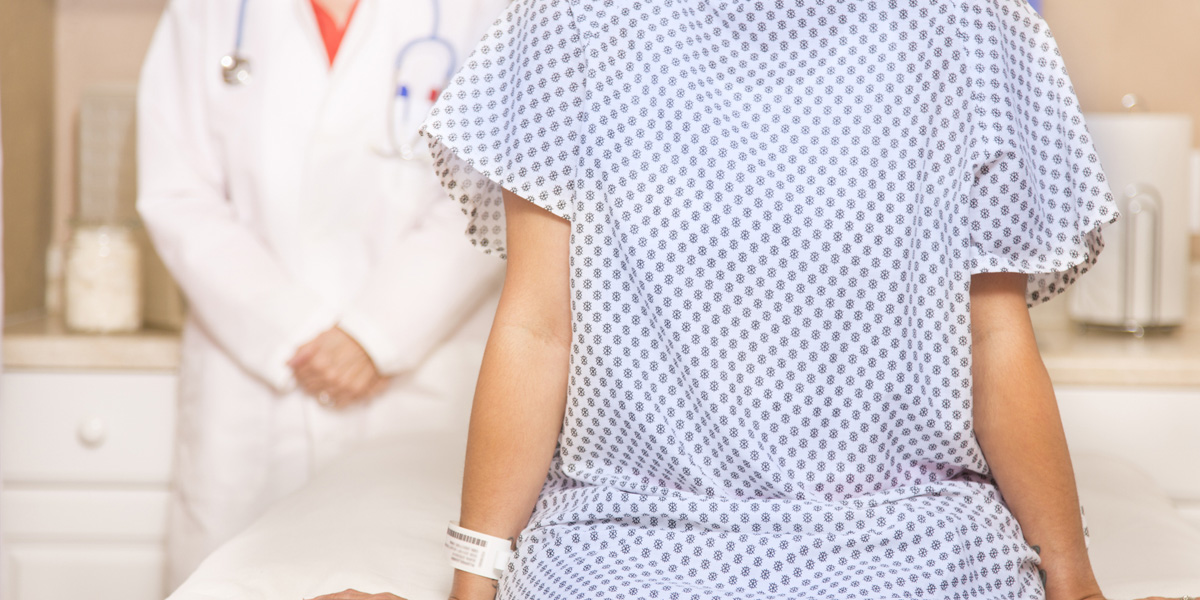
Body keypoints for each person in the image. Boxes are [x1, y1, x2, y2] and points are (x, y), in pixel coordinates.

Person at [315, 0, 1187, 599]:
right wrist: (476, 579)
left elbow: (995, 340)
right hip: (626, 545)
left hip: (910, 546)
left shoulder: (970, 29)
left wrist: (1068, 571)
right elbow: (539, 329)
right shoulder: (570, 26)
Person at [137, 0, 507, 587]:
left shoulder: (482, 12)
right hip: (254, 380)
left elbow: (495, 192)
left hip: (421, 378)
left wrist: (375, 333)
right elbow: (176, 194)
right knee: (237, 580)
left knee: (404, 572)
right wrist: (293, 326)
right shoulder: (205, 12)